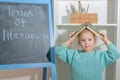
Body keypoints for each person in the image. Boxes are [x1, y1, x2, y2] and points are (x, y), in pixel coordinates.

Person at [55, 23, 120, 80]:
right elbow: (59, 51)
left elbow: (116, 53)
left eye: (90, 39)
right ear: (79, 42)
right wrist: (69, 40)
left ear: (94, 41)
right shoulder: (73, 54)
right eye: (83, 40)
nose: (86, 43)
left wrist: (105, 40)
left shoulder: (100, 56)